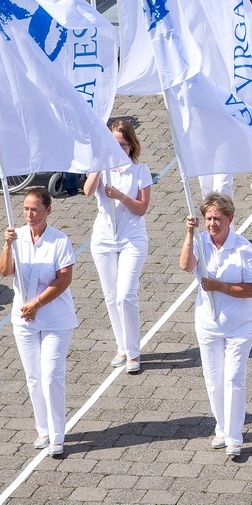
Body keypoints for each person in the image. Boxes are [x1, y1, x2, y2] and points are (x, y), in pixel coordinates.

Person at [180, 192, 252, 462]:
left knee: (233, 378)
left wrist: (220, 286)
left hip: (240, 325)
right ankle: (222, 427)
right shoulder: (200, 242)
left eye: (218, 218)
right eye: (208, 218)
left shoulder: (243, 248)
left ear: (230, 218)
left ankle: (235, 438)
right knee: (213, 380)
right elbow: (185, 265)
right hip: (208, 322)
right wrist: (190, 236)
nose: (212, 223)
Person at [0, 185, 77, 458]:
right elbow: (4, 271)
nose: (29, 214)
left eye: (35, 209)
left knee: (51, 376)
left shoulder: (59, 241)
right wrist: (8, 246)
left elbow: (64, 278)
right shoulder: (17, 236)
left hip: (55, 319)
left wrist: (37, 304)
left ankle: (58, 434)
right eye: (26, 209)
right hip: (23, 319)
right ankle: (42, 429)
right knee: (33, 377)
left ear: (48, 210)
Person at [83, 116, 152, 374]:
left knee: (126, 295)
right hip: (103, 238)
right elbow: (88, 192)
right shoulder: (101, 167)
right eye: (114, 145)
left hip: (132, 238)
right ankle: (121, 346)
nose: (119, 150)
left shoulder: (140, 171)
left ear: (131, 146)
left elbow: (142, 208)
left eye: (123, 145)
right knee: (111, 297)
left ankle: (134, 352)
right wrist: (100, 164)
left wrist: (121, 195)